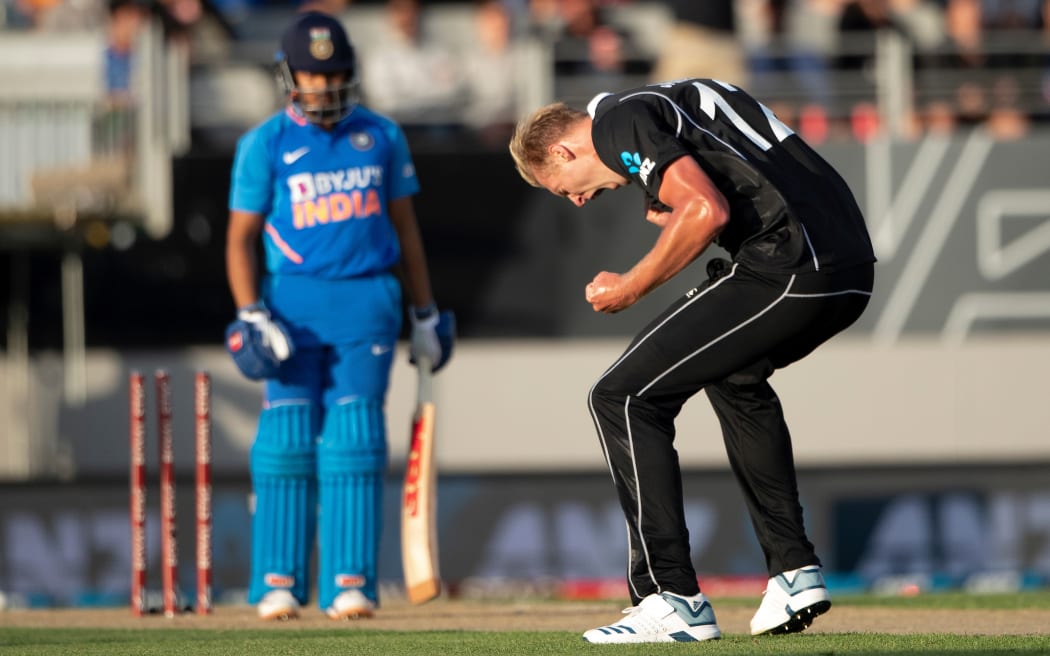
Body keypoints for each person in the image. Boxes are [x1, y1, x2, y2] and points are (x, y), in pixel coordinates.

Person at [508, 78, 875, 643]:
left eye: (563, 189)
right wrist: (671, 196)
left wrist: (630, 286)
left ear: (562, 151)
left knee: (622, 396)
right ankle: (794, 572)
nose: (578, 201)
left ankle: (669, 596)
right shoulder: (664, 101)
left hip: (789, 263)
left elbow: (705, 209)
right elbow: (737, 168)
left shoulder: (617, 123)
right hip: (847, 266)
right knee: (734, 375)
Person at [224, 11, 452, 621]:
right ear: (289, 75)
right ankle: (279, 582)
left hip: (366, 302)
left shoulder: (380, 135)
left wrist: (424, 313)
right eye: (312, 74)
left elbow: (406, 231)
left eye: (335, 74)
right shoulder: (265, 143)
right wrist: (250, 312)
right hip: (290, 306)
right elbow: (239, 239)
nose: (324, 86)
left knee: (354, 440)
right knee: (286, 440)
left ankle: (350, 582)